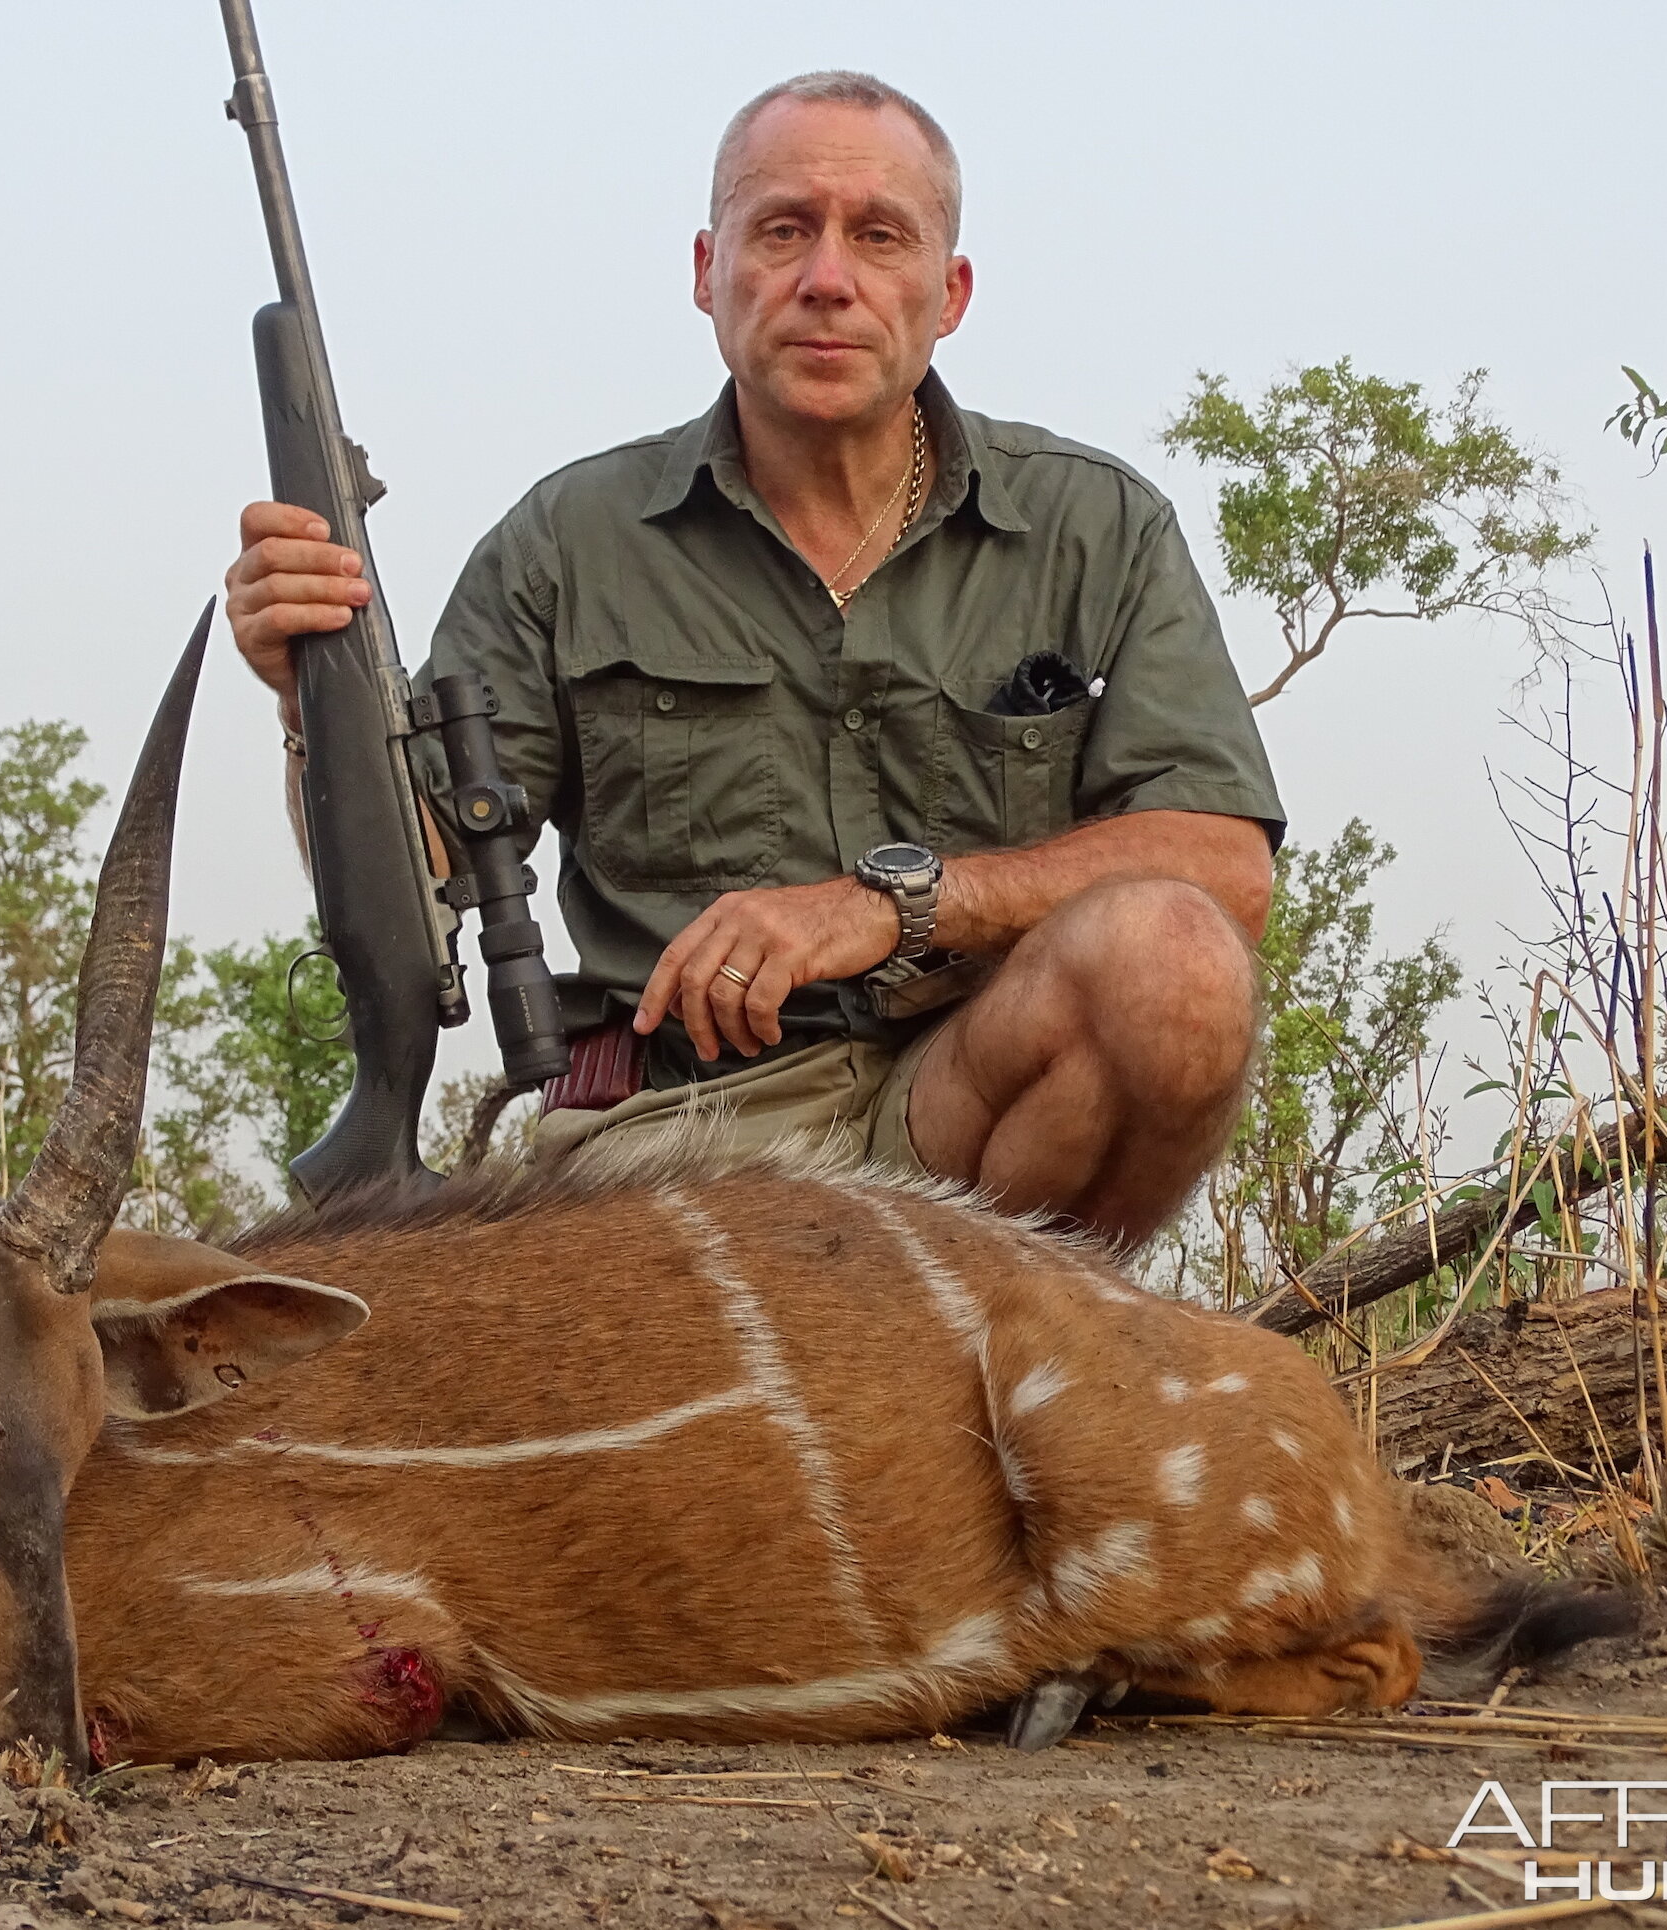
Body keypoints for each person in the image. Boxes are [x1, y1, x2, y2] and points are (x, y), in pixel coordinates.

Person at [223, 71, 1279, 1249]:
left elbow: (1224, 870)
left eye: (880, 236)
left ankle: (1065, 1358)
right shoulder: (568, 541)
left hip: (976, 1114)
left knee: (1175, 964)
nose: (828, 278)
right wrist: (309, 698)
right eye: (783, 230)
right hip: (676, 1134)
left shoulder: (1099, 526)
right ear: (706, 272)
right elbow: (416, 876)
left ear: (951, 292)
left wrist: (891, 907)